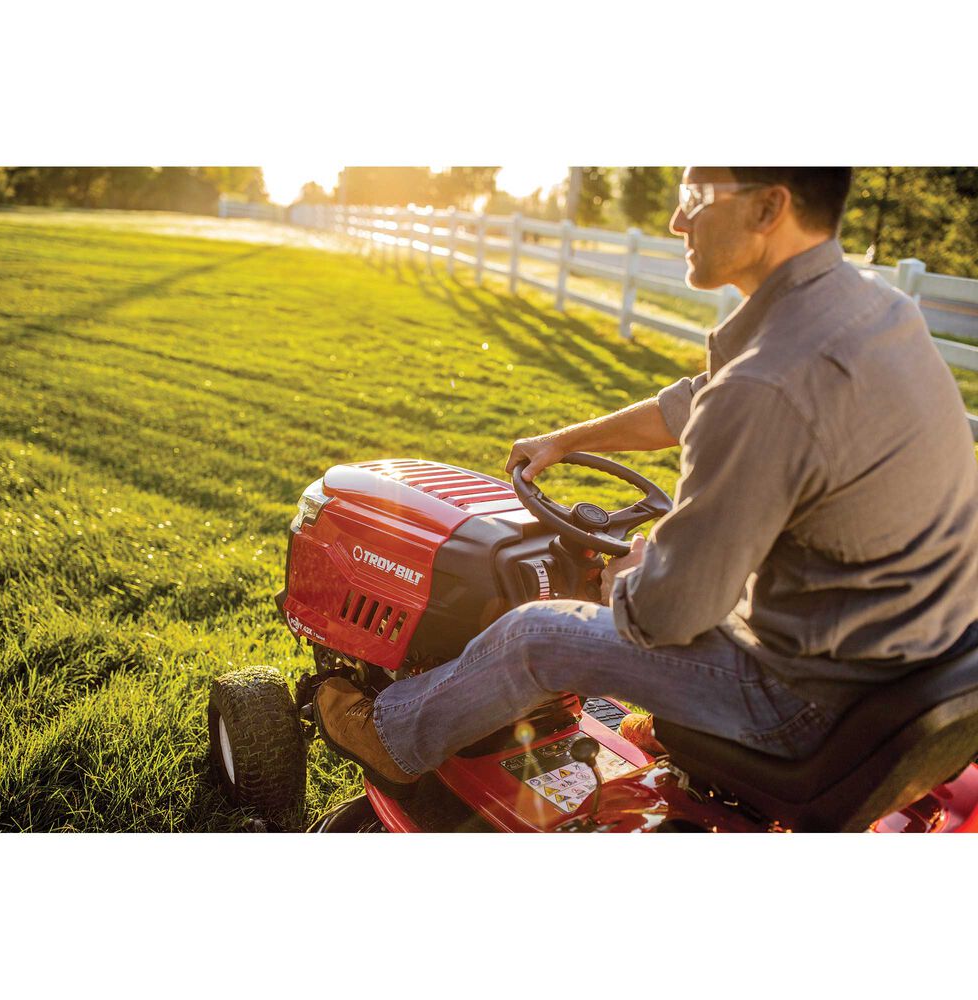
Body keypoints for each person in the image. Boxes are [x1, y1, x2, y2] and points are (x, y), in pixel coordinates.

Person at [313, 167, 978, 799]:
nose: (675, 220)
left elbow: (669, 613)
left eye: (694, 193)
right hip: (913, 666)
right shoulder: (874, 312)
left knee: (534, 635)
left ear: (768, 207)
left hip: (801, 704)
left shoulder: (765, 383)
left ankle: (393, 735)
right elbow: (697, 399)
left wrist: (627, 577)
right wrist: (566, 442)